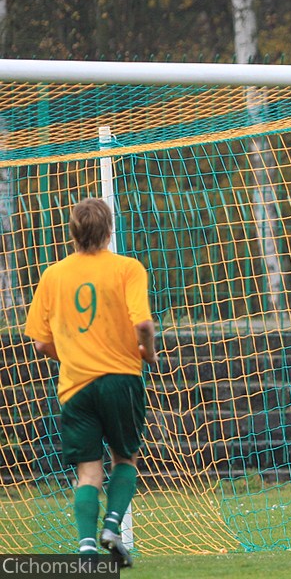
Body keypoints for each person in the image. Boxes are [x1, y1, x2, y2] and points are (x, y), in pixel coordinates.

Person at [24, 198, 157, 567]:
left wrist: (72, 356)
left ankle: (86, 548)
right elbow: (143, 325)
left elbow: (40, 343)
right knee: (125, 458)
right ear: (109, 229)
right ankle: (112, 526)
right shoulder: (127, 268)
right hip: (120, 379)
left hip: (75, 386)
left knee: (88, 471)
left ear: (73, 231)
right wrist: (149, 352)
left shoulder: (53, 275)